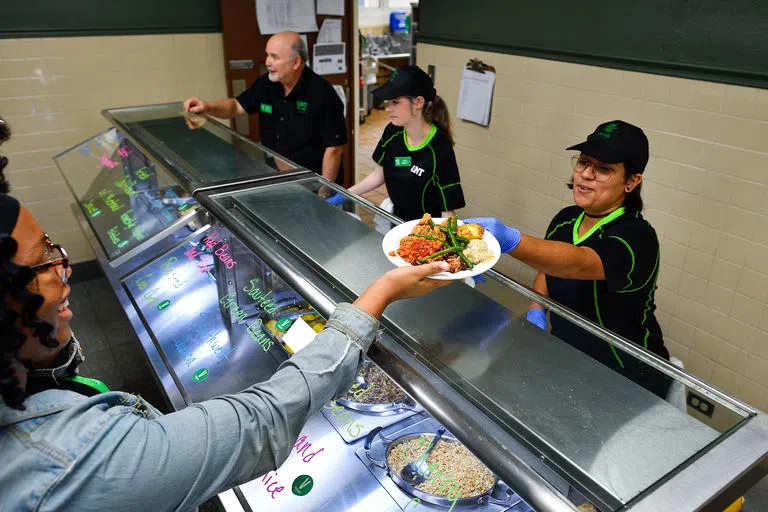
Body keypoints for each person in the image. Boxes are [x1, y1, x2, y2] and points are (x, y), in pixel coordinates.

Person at [0, 120, 450, 510]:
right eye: (44, 260)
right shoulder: (78, 462)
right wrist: (378, 294)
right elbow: (261, 421)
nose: (64, 271)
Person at [465, 120, 672, 398]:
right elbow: (549, 268)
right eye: (584, 162)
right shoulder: (566, 220)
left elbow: (578, 263)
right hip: (568, 356)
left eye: (604, 169)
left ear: (632, 182)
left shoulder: (637, 238)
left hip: (625, 373)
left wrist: (511, 240)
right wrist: (537, 308)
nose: (586, 174)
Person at [183, 32, 346, 182]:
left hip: (315, 181)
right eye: (267, 55)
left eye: (274, 57)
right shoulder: (267, 84)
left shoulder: (322, 94)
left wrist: (324, 193)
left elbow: (334, 150)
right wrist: (207, 107)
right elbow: (235, 106)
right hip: (278, 175)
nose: (267, 62)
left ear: (296, 62)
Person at [328, 65, 465, 221]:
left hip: (427, 228)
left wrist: (447, 239)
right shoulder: (393, 132)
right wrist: (343, 195)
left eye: (395, 102)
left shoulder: (440, 147)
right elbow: (378, 175)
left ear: (418, 102)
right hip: (396, 219)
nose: (388, 109)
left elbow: (448, 212)